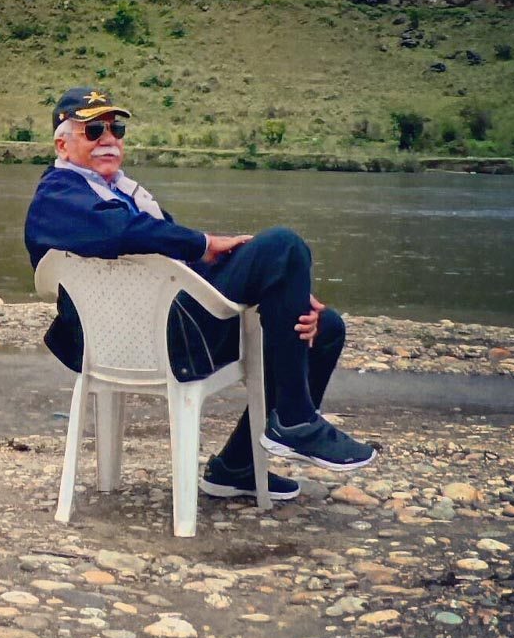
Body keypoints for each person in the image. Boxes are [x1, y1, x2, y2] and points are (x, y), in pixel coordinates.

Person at [25, 86, 375, 502]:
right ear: (62, 144)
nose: (109, 139)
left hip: (168, 329)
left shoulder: (121, 193)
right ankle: (296, 420)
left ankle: (237, 467)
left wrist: (287, 293)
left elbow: (166, 260)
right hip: (144, 342)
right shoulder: (58, 194)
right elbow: (124, 234)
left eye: (116, 128)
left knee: (325, 326)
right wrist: (203, 242)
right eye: (93, 130)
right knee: (283, 245)